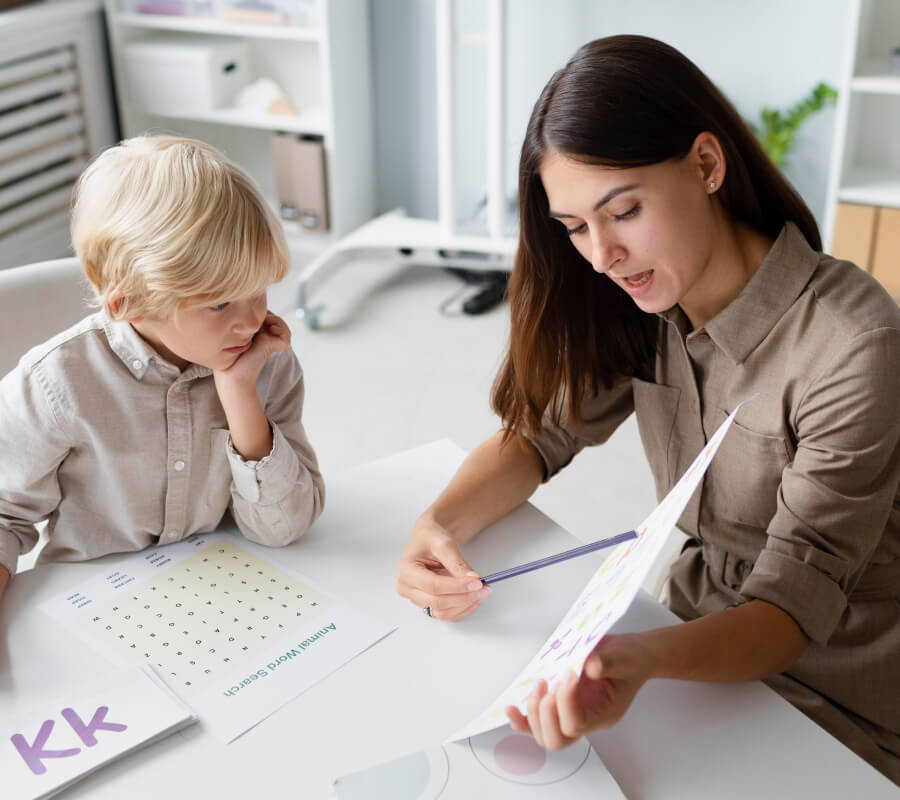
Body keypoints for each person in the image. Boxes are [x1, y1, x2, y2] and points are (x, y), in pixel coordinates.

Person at [396, 35, 900, 783]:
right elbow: (538, 435)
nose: (601, 255)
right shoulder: (644, 295)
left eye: (622, 211)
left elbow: (791, 610)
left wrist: (637, 660)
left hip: (833, 673)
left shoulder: (853, 344)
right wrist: (438, 526)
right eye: (573, 228)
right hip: (687, 628)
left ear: (706, 165)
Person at [0, 135, 325, 604]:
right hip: (95, 602)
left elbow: (286, 527)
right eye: (219, 303)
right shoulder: (54, 385)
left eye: (258, 291)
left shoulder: (264, 362)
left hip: (225, 591)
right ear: (128, 303)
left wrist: (239, 397)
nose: (253, 321)